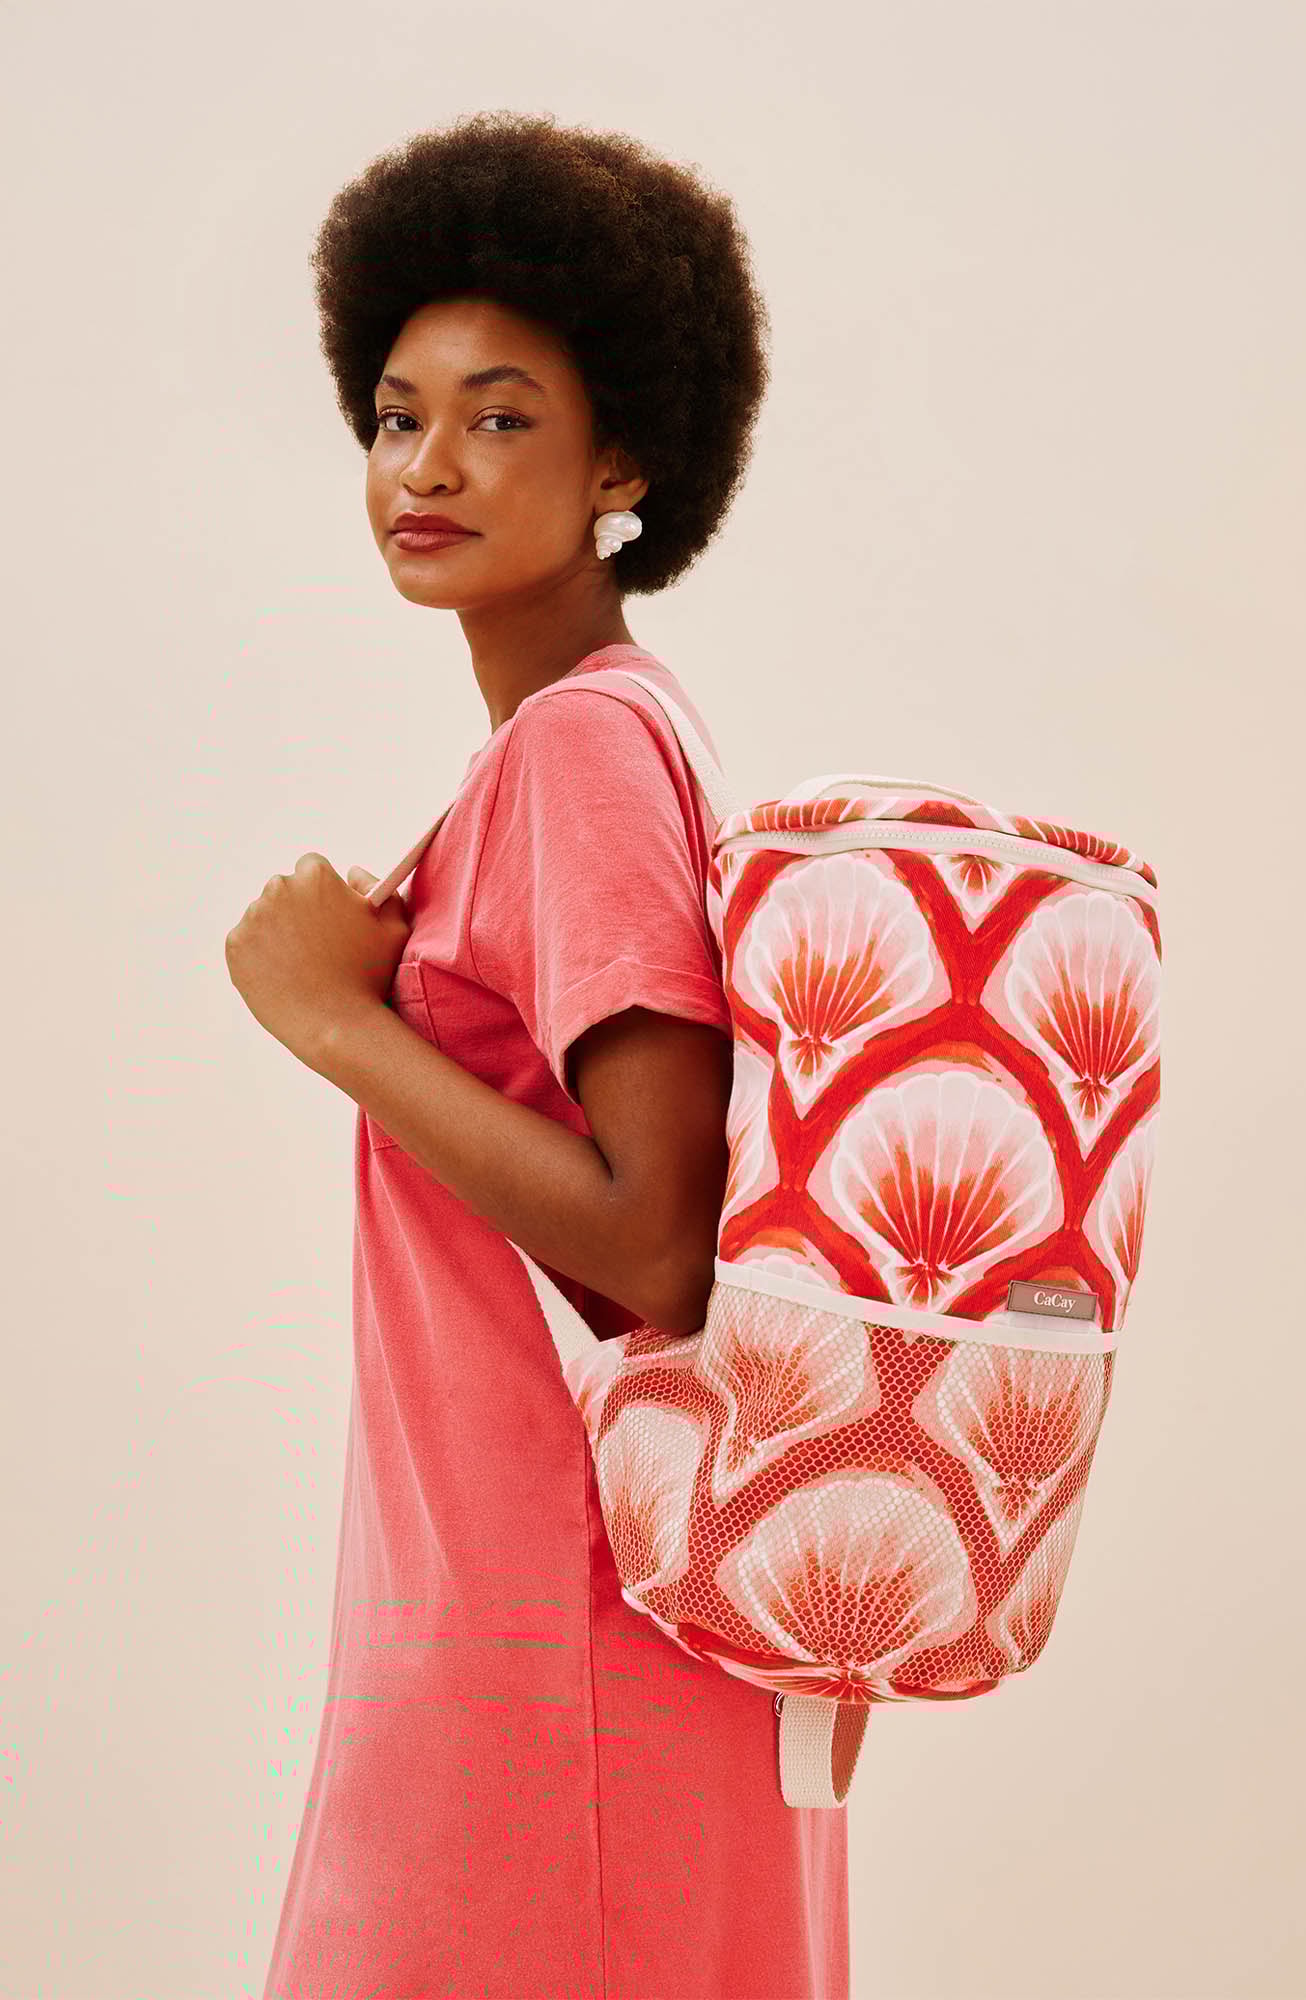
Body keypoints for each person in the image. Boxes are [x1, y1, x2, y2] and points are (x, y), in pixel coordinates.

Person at [225, 109, 851, 1997]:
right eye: (396, 415)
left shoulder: (581, 747)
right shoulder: (596, 739)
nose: (426, 465)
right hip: (540, 1626)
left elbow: (659, 1243)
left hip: (563, 1646)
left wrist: (329, 1016)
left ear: (623, 464)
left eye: (499, 417)